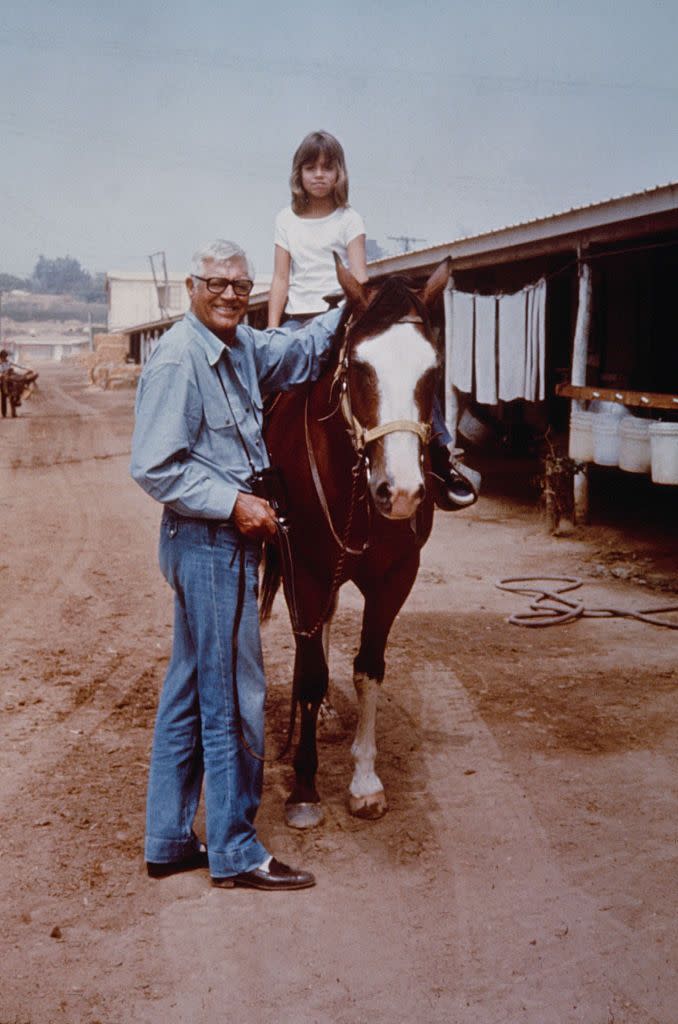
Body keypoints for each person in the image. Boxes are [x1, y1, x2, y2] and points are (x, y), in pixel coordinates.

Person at [130, 239, 344, 892]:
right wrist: (233, 503)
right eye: (216, 283)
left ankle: (168, 840)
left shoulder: (246, 347)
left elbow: (303, 352)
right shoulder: (178, 359)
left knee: (191, 690)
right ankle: (234, 848)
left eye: (239, 285)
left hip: (221, 543)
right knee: (235, 698)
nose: (228, 294)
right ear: (192, 286)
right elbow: (155, 466)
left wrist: (351, 302)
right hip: (208, 541)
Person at [268, 129, 478, 510]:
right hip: (298, 320)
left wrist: (359, 311)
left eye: (327, 168)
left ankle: (443, 459)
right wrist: (272, 329)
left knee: (404, 368)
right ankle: (254, 466)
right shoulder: (286, 219)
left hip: (339, 314)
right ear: (298, 173)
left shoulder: (350, 219)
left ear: (339, 174)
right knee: (264, 383)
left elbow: (359, 275)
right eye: (310, 167)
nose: (319, 175)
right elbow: (281, 278)